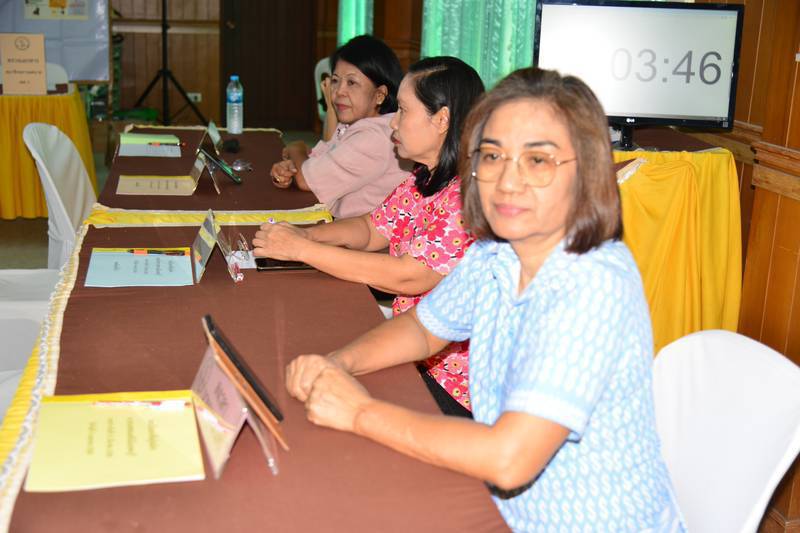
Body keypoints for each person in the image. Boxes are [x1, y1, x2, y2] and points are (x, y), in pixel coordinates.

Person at [282, 68, 686, 531]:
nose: (507, 181)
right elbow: (423, 329)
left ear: (585, 171)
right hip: (503, 502)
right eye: (493, 155)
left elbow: (510, 459)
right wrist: (339, 364)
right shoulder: (500, 251)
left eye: (538, 160)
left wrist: (359, 412)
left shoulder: (592, 284)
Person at [254, 57, 485, 415]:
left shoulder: (462, 197)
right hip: (412, 347)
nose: (393, 122)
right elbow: (370, 228)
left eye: (403, 111)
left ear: (441, 120)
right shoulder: (424, 177)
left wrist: (302, 250)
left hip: (449, 383)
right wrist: (306, 236)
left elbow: (408, 276)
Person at [270, 35, 408, 219]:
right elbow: (317, 161)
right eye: (335, 81)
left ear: (379, 95)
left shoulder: (375, 137)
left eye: (352, 83)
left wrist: (297, 148)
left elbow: (306, 180)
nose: (339, 91)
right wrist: (290, 168)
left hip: (361, 234)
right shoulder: (355, 124)